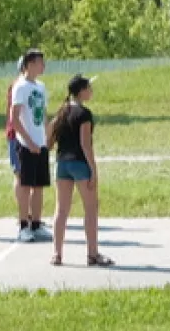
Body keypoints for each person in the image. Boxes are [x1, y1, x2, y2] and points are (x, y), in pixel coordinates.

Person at [49, 75, 112, 267]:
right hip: (79, 164)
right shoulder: (84, 114)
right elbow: (86, 144)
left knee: (61, 209)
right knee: (90, 209)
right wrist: (93, 169)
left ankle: (57, 254)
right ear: (81, 91)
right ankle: (92, 254)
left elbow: (48, 142)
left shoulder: (61, 112)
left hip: (61, 164)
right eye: (89, 88)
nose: (91, 91)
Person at [8, 49, 52, 242]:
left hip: (40, 143)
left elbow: (43, 115)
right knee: (25, 185)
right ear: (30, 64)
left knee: (39, 185)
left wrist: (46, 139)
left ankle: (36, 223)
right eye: (40, 62)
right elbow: (15, 119)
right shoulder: (20, 86)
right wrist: (30, 141)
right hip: (26, 144)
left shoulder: (41, 87)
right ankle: (23, 224)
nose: (43, 66)